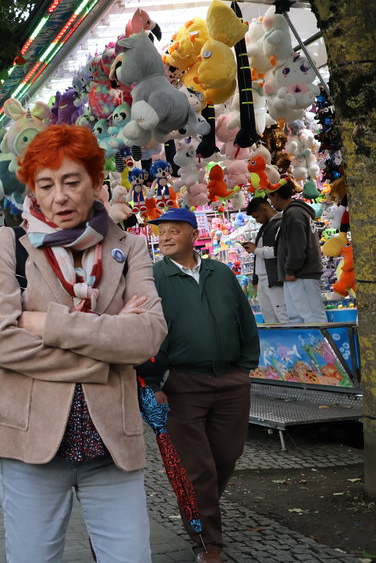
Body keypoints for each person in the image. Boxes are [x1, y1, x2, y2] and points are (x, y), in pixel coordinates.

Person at [0, 125, 168, 563]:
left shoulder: (130, 247)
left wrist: (45, 322)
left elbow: (149, 335)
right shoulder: (10, 244)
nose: (59, 196)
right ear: (32, 192)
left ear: (96, 184)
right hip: (29, 446)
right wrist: (105, 356)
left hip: (111, 446)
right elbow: (0, 344)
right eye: (45, 185)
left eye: (71, 181)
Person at [148, 208, 260, 563]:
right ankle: (208, 544)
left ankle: (199, 505)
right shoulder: (154, 278)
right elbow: (147, 332)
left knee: (226, 457)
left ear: (192, 234)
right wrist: (154, 382)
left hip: (230, 381)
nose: (164, 237)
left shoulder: (220, 272)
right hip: (180, 385)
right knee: (197, 468)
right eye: (161, 232)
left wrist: (245, 368)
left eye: (172, 231)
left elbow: (244, 319)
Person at [267, 181, 326, 324]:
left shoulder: (294, 214)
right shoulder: (294, 212)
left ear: (277, 196)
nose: (270, 201)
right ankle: (308, 347)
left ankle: (323, 347)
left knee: (311, 318)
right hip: (298, 275)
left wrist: (290, 270)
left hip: (301, 274)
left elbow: (297, 247)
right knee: (298, 318)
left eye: (270, 197)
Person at [242, 197, 287, 325]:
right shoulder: (264, 228)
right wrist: (255, 279)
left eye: (257, 217)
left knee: (282, 314)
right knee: (269, 317)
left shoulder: (280, 224)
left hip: (274, 277)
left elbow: (279, 251)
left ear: (264, 209)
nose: (257, 221)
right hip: (262, 280)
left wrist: (256, 249)